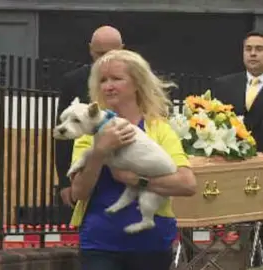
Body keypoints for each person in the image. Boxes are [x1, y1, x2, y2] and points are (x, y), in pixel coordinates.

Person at [68, 49, 197, 270]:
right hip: (100, 244)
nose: (108, 86)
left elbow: (187, 184)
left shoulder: (160, 130)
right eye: (103, 80)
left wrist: (138, 179)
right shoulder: (88, 132)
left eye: (116, 79)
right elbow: (78, 193)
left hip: (152, 245)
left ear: (137, 84)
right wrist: (99, 151)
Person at [55, 25, 125, 209]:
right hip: (86, 166)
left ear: (122, 50)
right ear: (90, 50)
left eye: (110, 53)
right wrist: (64, 182)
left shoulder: (134, 81)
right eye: (99, 53)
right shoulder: (73, 81)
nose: (104, 59)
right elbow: (63, 135)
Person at [211, 30, 263, 154]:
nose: (253, 54)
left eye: (259, 49)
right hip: (232, 158)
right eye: (248, 49)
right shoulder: (224, 85)